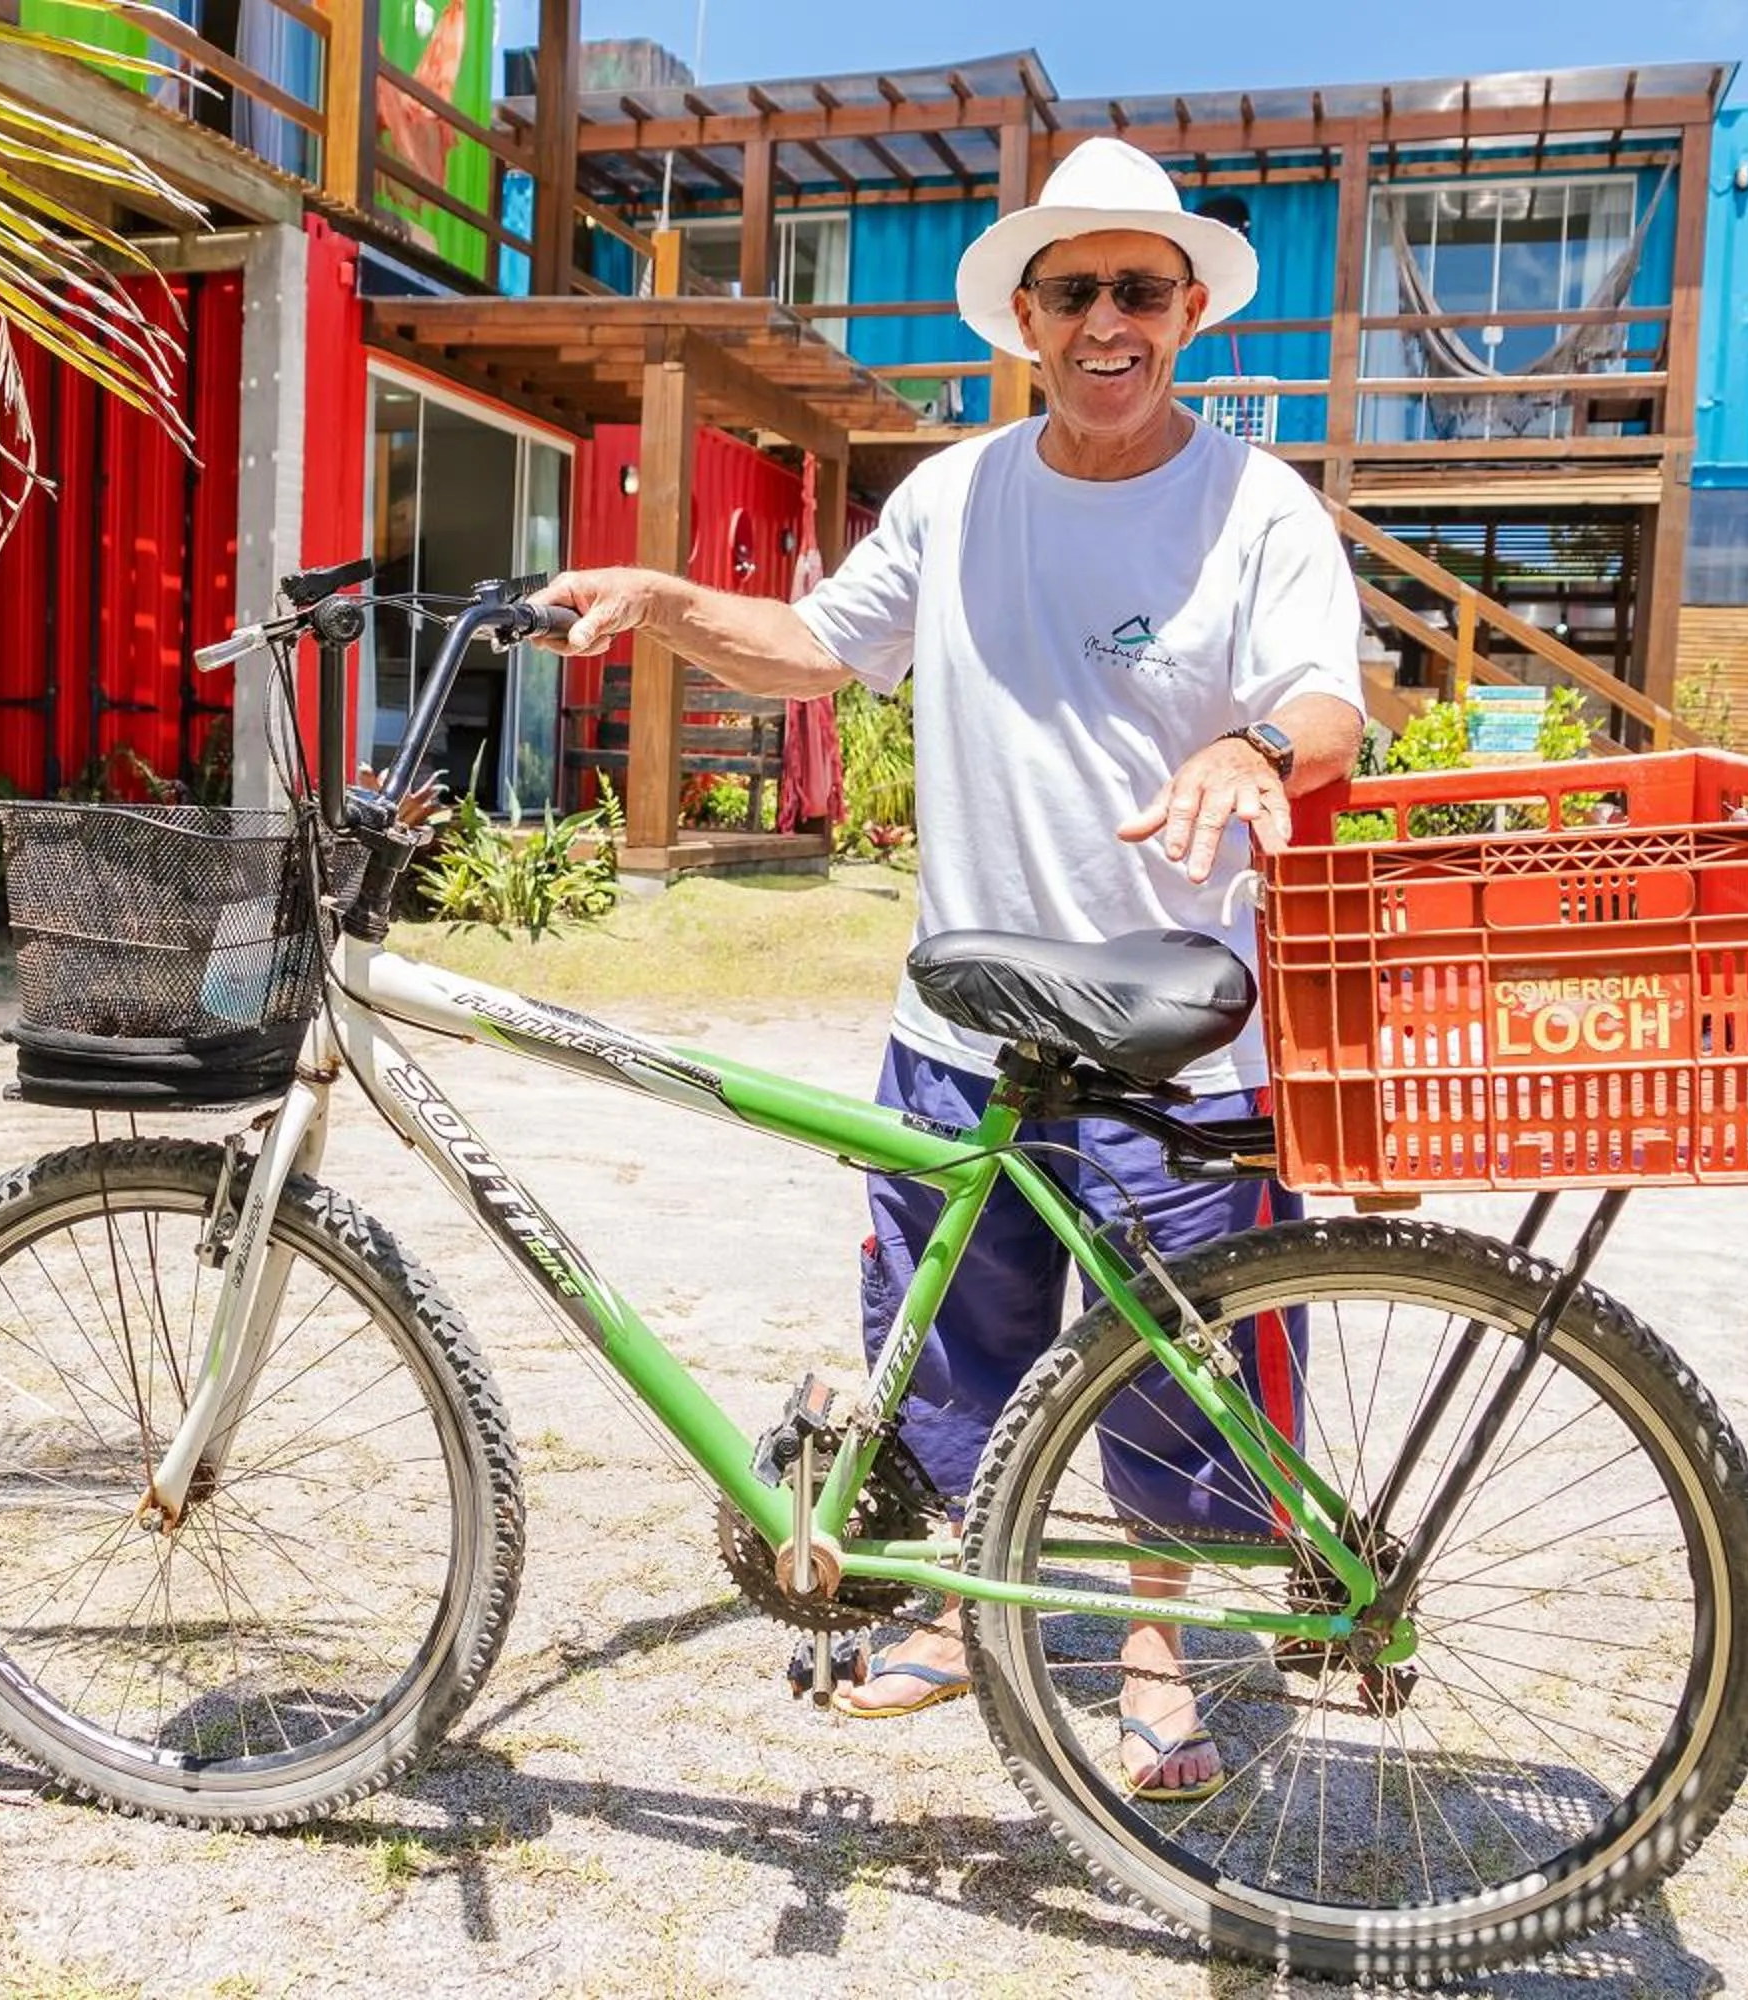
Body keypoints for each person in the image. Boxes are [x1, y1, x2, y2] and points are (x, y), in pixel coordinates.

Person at [528, 138, 1364, 1800]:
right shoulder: (958, 490)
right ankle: (942, 1616)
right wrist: (665, 593)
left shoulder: (1256, 505)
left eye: (1140, 287)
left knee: (1172, 1367)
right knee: (951, 1345)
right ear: (1028, 320)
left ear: (1188, 308)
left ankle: (1153, 1655)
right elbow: (822, 650)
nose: (1108, 319)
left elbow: (1327, 698)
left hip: (1177, 1026)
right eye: (1076, 292)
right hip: (964, 1013)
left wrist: (1261, 750)